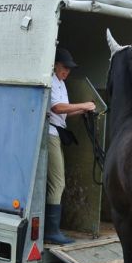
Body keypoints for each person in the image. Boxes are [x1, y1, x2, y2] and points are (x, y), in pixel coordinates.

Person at [45, 47, 95, 244]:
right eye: (64, 67)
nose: (67, 71)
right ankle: (51, 230)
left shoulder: (61, 83)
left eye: (69, 69)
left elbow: (63, 112)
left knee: (58, 182)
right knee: (57, 183)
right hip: (50, 133)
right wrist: (83, 105)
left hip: (57, 131)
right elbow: (56, 107)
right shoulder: (50, 79)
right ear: (56, 65)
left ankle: (53, 229)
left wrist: (82, 111)